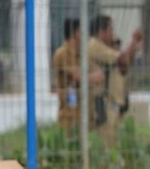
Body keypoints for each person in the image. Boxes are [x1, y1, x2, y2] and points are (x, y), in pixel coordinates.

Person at [88, 15, 143, 147]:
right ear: (101, 32)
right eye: (110, 29)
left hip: (116, 107)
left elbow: (124, 66)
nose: (113, 33)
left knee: (117, 148)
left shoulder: (109, 47)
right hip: (105, 107)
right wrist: (133, 43)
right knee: (108, 148)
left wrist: (134, 48)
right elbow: (121, 60)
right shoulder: (95, 46)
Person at [52, 18, 105, 134]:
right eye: (82, 32)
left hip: (87, 116)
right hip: (70, 117)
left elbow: (101, 75)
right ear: (76, 33)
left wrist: (87, 77)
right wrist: (90, 77)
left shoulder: (82, 54)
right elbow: (78, 77)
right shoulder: (62, 54)